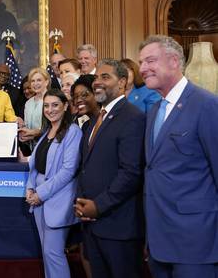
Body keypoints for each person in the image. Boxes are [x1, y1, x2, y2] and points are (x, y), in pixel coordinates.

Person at [139, 35, 218, 278]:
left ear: (174, 61)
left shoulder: (206, 105)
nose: (142, 69)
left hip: (196, 244)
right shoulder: (154, 110)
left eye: (150, 61)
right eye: (140, 62)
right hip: (158, 242)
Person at [74, 59, 145, 278]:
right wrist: (81, 203)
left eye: (106, 77)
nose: (97, 82)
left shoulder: (133, 117)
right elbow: (85, 167)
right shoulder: (95, 119)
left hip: (118, 227)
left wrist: (99, 206)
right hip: (91, 225)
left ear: (122, 83)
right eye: (97, 77)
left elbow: (131, 173)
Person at [26, 88, 82, 278]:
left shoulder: (73, 132)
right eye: (47, 106)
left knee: (53, 253)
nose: (50, 110)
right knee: (47, 253)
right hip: (39, 197)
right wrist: (30, 188)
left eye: (55, 105)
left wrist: (40, 194)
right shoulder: (46, 132)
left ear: (66, 106)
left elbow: (68, 171)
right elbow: (35, 165)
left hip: (58, 199)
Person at [19, 67, 50, 146]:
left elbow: (52, 127)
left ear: (46, 82)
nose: (35, 83)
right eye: (33, 81)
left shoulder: (52, 99)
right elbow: (27, 125)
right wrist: (24, 133)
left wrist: (34, 133)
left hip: (48, 144)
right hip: (32, 147)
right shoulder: (28, 103)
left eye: (39, 80)